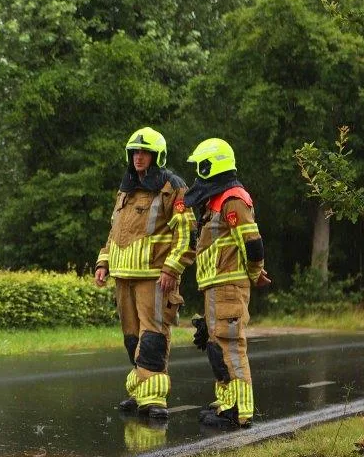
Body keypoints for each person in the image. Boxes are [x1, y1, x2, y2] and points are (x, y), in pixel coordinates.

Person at [94, 127, 193, 420]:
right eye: (135, 152)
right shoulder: (125, 189)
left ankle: (155, 399)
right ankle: (140, 392)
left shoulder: (172, 187)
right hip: (123, 275)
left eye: (144, 152)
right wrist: (103, 263)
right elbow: (115, 232)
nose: (138, 157)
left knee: (153, 336)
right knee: (131, 338)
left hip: (154, 276)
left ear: (156, 156)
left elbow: (187, 232)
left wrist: (172, 268)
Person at [183, 138, 269, 429]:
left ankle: (239, 411)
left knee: (230, 346)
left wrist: (256, 273)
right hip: (215, 286)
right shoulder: (215, 201)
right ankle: (226, 402)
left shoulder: (234, 198)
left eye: (200, 166)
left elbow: (252, 242)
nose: (197, 173)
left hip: (229, 285)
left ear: (212, 166)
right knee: (215, 345)